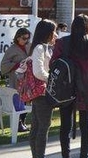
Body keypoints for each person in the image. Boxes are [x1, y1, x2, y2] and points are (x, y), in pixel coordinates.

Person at [52, 14, 88, 158]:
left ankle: (65, 155)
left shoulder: (62, 42)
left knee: (65, 125)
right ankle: (84, 155)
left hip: (66, 87)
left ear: (72, 26)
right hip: (87, 86)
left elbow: (53, 63)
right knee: (86, 124)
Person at [27, 19, 57, 158]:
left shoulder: (42, 47)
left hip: (41, 92)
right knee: (42, 127)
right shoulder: (39, 48)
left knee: (37, 126)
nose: (56, 35)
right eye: (54, 32)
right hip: (42, 92)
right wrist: (52, 78)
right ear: (47, 33)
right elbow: (38, 72)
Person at [0, 27, 32, 132]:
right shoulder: (12, 49)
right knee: (18, 101)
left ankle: (22, 122)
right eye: (24, 38)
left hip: (28, 79)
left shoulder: (29, 46)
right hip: (16, 79)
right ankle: (18, 124)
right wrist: (17, 64)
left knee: (27, 100)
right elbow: (4, 65)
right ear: (18, 37)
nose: (26, 40)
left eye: (28, 38)